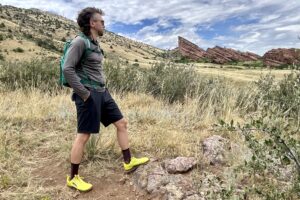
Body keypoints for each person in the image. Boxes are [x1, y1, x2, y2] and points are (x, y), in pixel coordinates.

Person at [63, 7, 149, 192]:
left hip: (103, 92)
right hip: (88, 94)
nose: (104, 24)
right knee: (84, 135)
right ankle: (73, 178)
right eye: (101, 21)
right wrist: (84, 94)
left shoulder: (95, 44)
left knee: (122, 123)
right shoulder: (79, 42)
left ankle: (128, 161)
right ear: (92, 23)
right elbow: (67, 69)